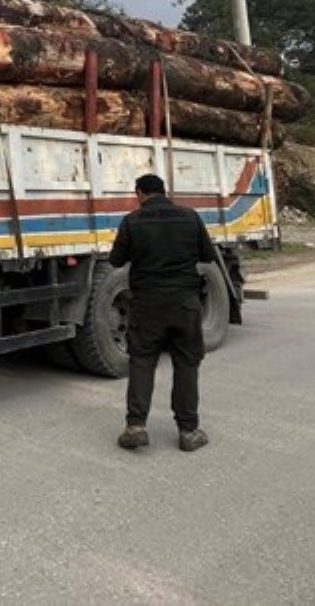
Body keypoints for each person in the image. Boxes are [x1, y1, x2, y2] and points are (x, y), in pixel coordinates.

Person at [107, 173, 218, 453]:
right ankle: (189, 432)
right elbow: (207, 255)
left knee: (142, 362)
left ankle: (136, 427)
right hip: (185, 303)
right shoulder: (190, 217)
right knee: (186, 364)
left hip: (147, 305)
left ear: (140, 194)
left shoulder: (132, 221)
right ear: (164, 192)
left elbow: (116, 260)